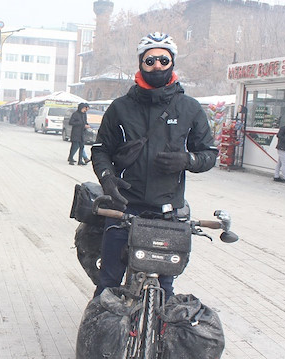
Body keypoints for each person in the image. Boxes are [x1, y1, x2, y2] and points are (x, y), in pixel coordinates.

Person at [91, 32, 218, 299]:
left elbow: (208, 153)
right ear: (140, 63)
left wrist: (188, 160)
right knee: (109, 283)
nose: (157, 66)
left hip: (168, 212)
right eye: (150, 61)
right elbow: (101, 150)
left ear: (172, 62)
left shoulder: (190, 108)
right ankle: (98, 337)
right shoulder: (120, 107)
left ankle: (158, 337)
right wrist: (107, 179)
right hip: (124, 206)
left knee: (165, 290)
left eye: (163, 59)